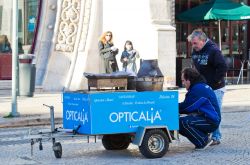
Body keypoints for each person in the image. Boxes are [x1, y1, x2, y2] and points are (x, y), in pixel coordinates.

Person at [187, 29, 228, 146]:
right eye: (192, 43)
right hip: (203, 88)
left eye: (195, 43)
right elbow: (195, 68)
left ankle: (216, 137)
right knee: (203, 111)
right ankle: (207, 134)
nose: (193, 46)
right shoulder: (195, 51)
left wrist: (215, 81)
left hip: (216, 88)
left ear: (203, 40)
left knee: (215, 112)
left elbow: (223, 67)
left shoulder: (213, 50)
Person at [179, 67, 221, 150]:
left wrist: (170, 107)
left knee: (182, 122)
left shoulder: (198, 89)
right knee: (180, 120)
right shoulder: (199, 86)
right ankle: (203, 135)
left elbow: (187, 107)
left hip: (211, 121)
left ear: (189, 79)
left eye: (183, 80)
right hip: (207, 118)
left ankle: (203, 141)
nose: (182, 83)